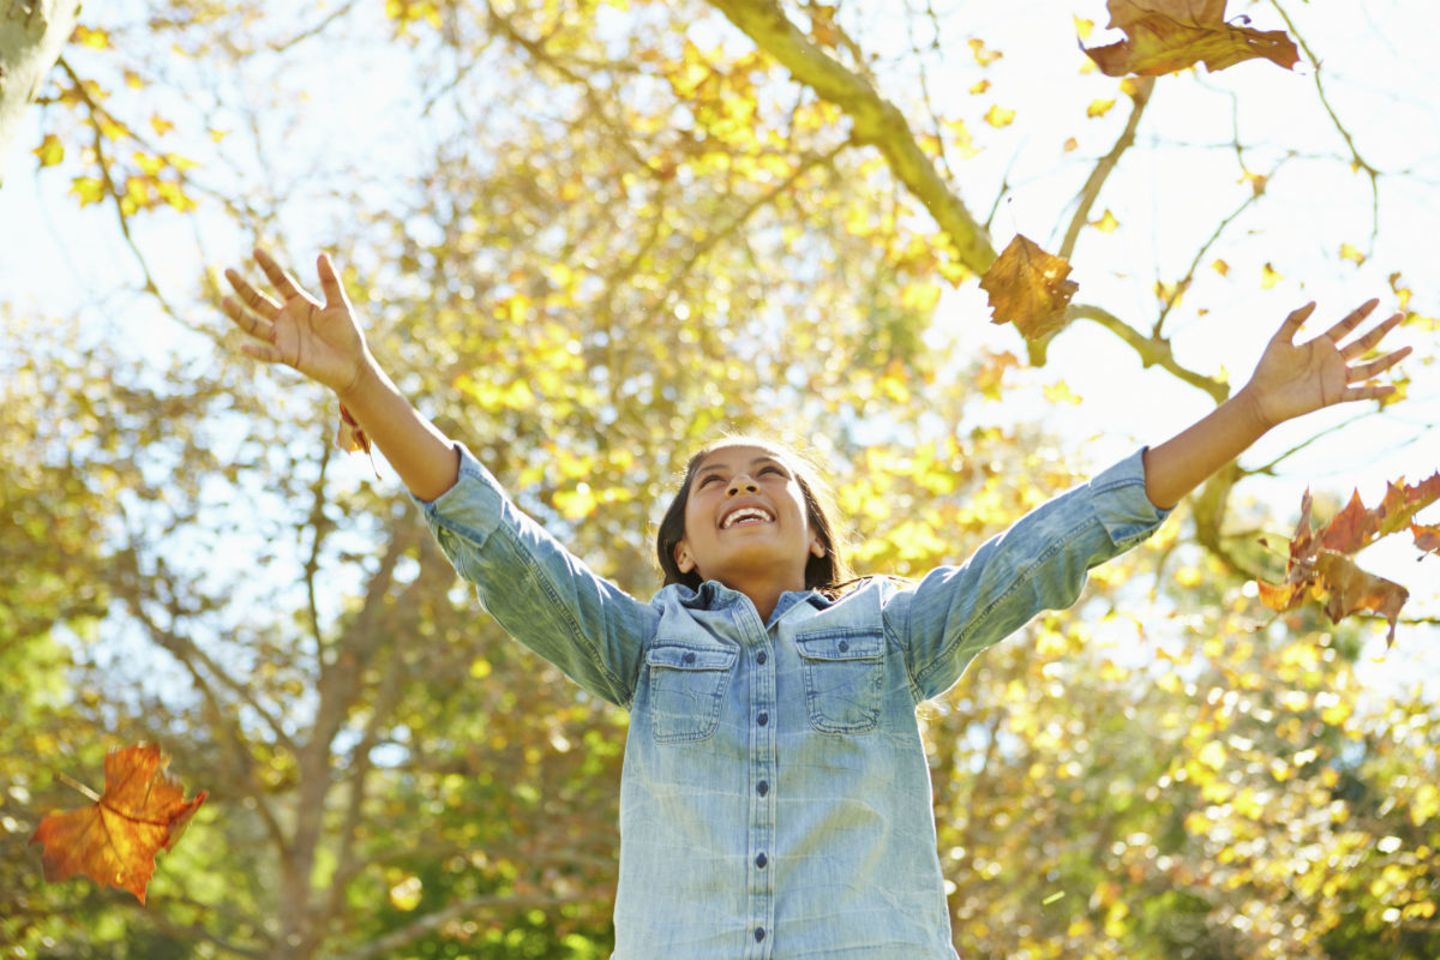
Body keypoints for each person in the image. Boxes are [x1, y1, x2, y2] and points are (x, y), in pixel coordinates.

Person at [221, 246, 1411, 958]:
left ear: (812, 531)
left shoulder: (892, 635)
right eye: (713, 484)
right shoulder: (638, 650)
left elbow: (1059, 538)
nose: (741, 486)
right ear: (682, 548)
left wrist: (1250, 412)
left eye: (768, 476)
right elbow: (498, 543)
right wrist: (366, 384)